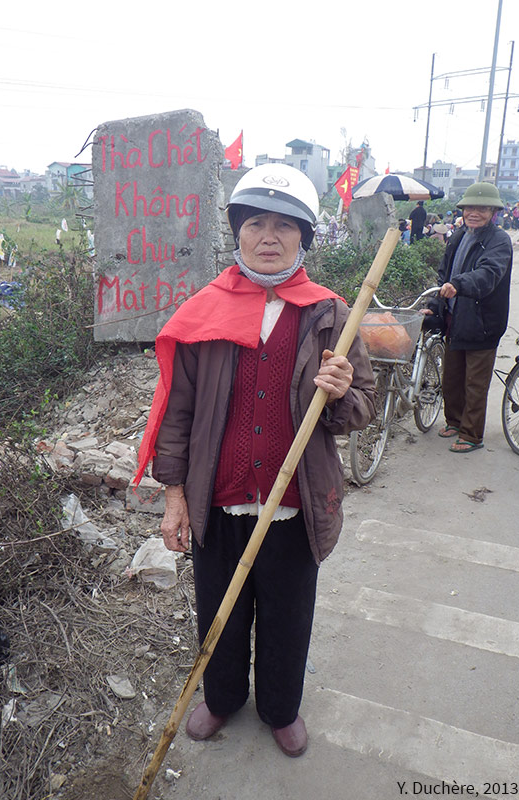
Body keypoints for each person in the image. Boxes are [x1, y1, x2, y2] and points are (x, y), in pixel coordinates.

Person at [135, 164, 376, 757]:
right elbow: (177, 413)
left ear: (304, 239)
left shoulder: (330, 315)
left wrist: (344, 391)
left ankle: (280, 708)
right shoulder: (205, 313)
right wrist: (174, 497)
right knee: (220, 609)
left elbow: (363, 404)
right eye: (256, 223)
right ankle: (222, 700)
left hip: (295, 502)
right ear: (237, 233)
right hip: (219, 497)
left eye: (285, 227)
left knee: (289, 613)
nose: (270, 236)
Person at [426, 182, 512, 453]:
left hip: (483, 321)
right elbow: (443, 274)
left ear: (493, 212)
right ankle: (454, 421)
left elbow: (488, 274)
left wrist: (459, 284)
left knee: (475, 382)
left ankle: (472, 434)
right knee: (452, 377)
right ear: (463, 210)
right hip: (456, 318)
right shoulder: (458, 235)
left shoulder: (499, 241)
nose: (475, 213)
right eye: (470, 208)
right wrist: (434, 303)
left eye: (482, 208)